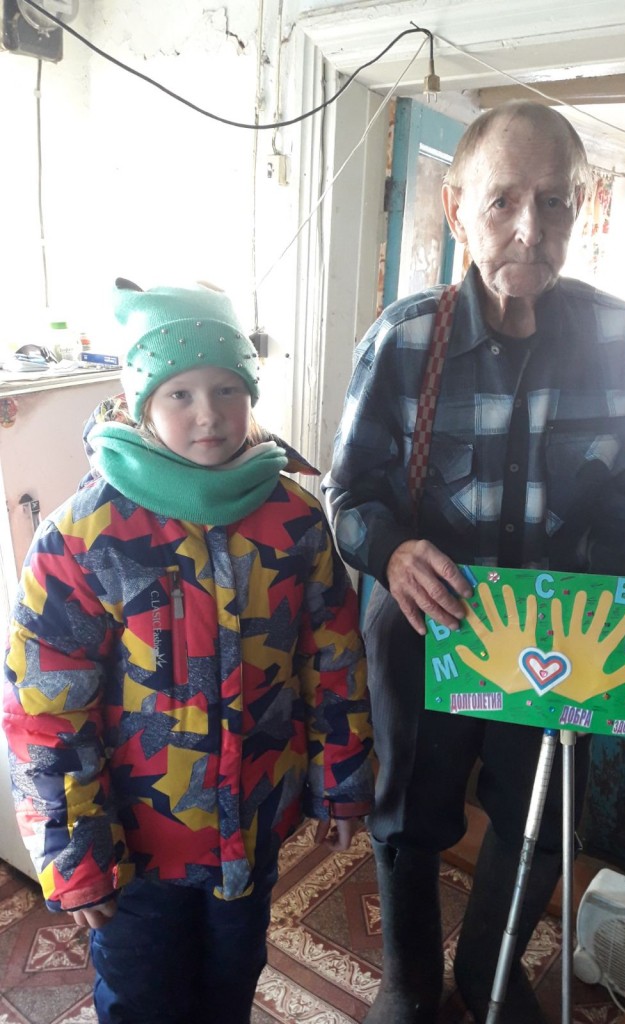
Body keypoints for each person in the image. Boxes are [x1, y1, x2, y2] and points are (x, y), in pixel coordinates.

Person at [323, 100, 625, 1024]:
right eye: (503, 201)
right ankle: (408, 982)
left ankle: (490, 973)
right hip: (425, 630)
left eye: (554, 201)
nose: (530, 226)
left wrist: (621, 607)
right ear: (456, 210)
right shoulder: (405, 340)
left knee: (539, 823)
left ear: (580, 209)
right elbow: (347, 493)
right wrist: (392, 550)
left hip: (564, 641)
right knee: (409, 816)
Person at [3, 279, 374, 1024]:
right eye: (180, 394)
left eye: (228, 389)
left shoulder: (295, 519)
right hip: (135, 853)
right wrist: (76, 854)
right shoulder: (83, 537)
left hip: (254, 828)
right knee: (143, 999)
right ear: (140, 402)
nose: (209, 414)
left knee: (230, 984)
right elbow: (44, 710)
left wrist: (342, 780)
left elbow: (333, 658)